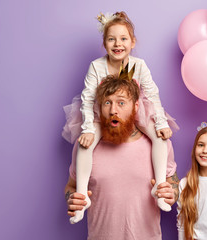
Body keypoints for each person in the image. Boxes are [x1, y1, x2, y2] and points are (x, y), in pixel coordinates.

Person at [62, 11, 179, 224]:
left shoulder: (139, 65)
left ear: (132, 42)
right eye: (111, 39)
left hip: (136, 110)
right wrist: (88, 129)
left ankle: (160, 186)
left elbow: (152, 94)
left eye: (124, 38)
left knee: (160, 139)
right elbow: (88, 99)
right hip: (101, 113)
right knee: (84, 145)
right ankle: (81, 197)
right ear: (104, 43)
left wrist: (160, 123)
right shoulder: (97, 66)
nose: (118, 44)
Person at [64, 75, 179, 240]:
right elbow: (71, 185)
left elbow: (172, 182)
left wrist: (171, 192)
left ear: (136, 106)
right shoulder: (85, 145)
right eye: (107, 102)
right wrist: (72, 198)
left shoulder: (158, 145)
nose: (113, 111)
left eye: (121, 103)